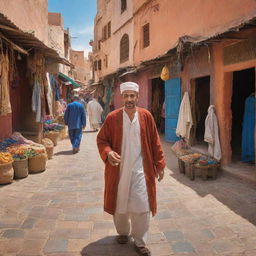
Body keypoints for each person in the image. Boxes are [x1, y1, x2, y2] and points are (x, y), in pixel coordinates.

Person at [97, 82, 166, 256]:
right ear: (121, 97)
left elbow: (155, 142)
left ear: (137, 96)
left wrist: (160, 165)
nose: (129, 99)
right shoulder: (112, 118)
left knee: (142, 205)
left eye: (132, 96)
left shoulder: (146, 116)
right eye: (126, 95)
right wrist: (108, 153)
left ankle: (140, 241)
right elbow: (102, 140)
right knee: (120, 203)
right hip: (118, 171)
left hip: (142, 170)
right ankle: (122, 232)